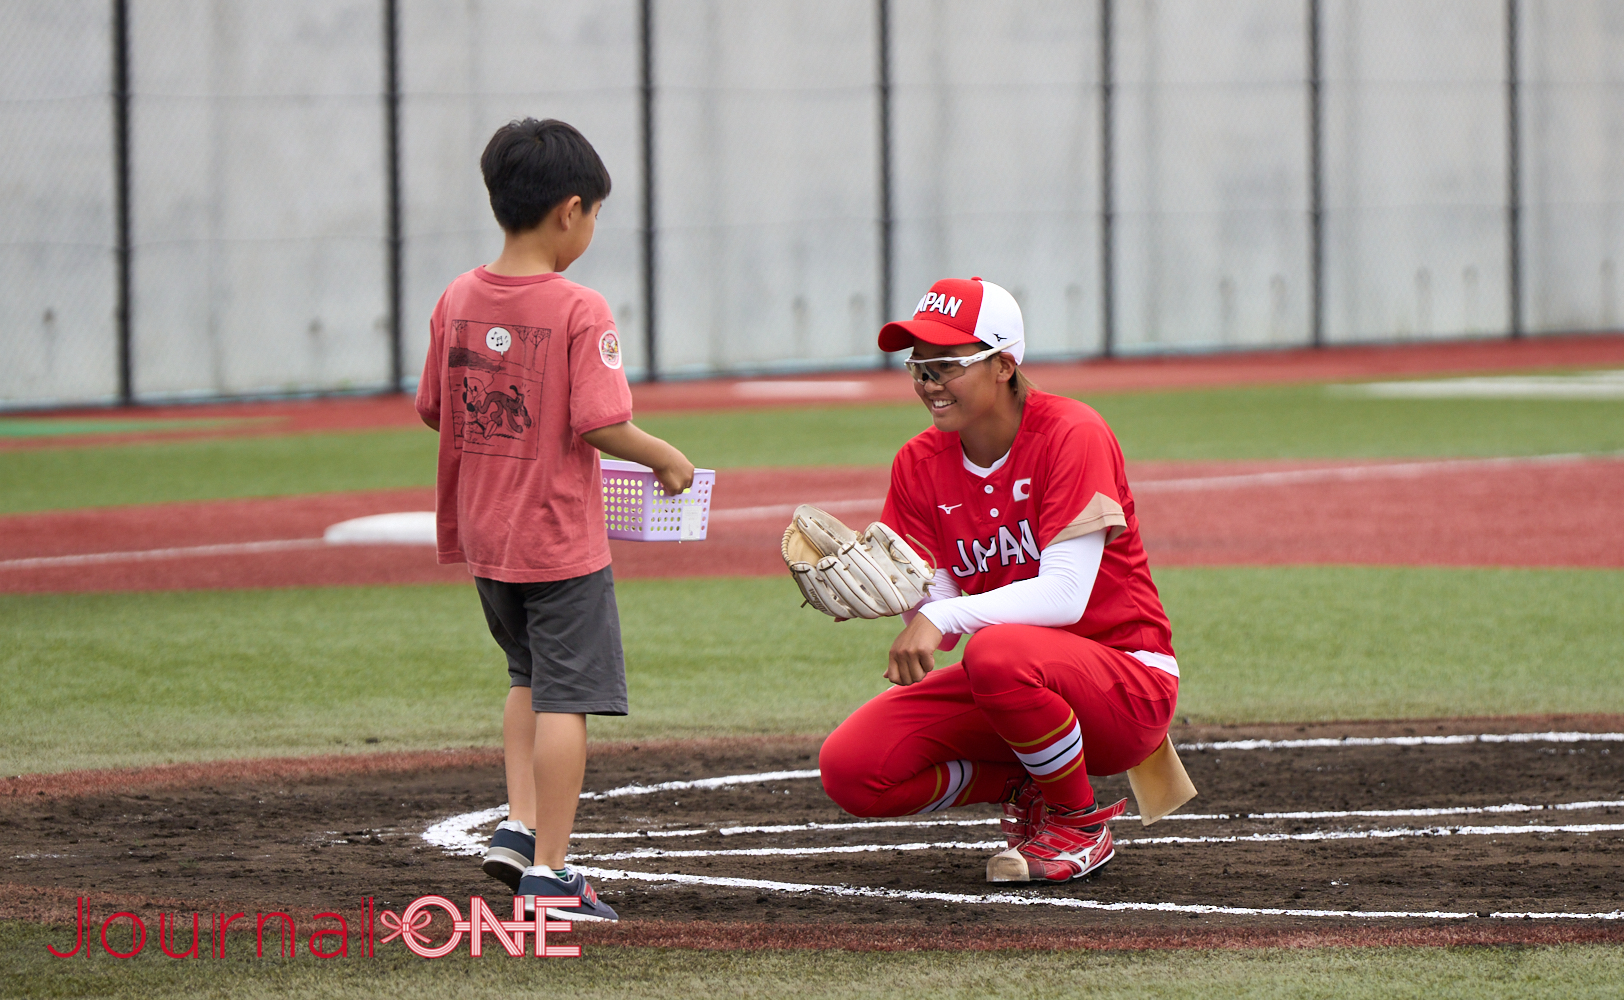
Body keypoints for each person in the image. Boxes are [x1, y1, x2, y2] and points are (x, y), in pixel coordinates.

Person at [415, 118, 694, 921]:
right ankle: (552, 874)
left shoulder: (457, 296)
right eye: (597, 214)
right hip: (559, 539)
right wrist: (666, 457)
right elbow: (600, 420)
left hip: (486, 537)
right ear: (571, 210)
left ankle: (518, 824)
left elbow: (437, 407)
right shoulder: (580, 306)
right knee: (568, 697)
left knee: (526, 678)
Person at [817, 277, 1179, 884]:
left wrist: (942, 618)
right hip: (1013, 682)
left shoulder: (1071, 432)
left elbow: (1064, 596)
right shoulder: (917, 462)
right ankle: (1034, 787)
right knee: (853, 769)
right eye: (919, 365)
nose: (929, 382)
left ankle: (1078, 820)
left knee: (997, 649)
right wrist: (896, 594)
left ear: (1005, 365)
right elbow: (939, 608)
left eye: (948, 364)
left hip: (1126, 684)